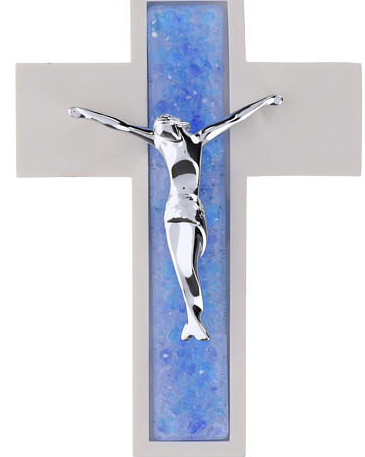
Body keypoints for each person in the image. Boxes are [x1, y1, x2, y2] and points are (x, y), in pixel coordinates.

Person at [69, 94, 283, 340]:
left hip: (193, 209)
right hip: (174, 211)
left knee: (189, 268)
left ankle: (194, 320)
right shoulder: (161, 143)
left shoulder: (197, 140)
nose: (159, 132)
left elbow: (234, 118)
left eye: (163, 126)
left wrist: (266, 102)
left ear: (176, 126)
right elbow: (122, 126)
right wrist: (86, 114)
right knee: (184, 269)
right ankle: (194, 321)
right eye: (158, 130)